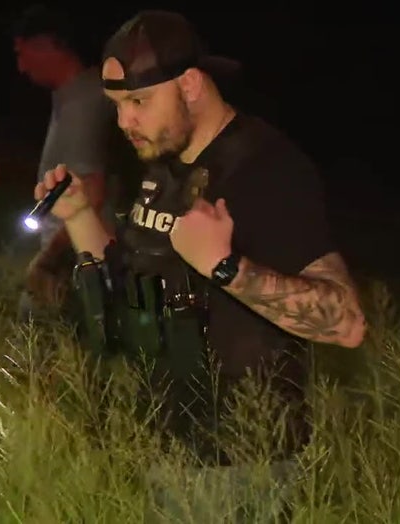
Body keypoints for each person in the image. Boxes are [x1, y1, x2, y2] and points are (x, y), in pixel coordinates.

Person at [33, 10, 367, 520]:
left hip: (238, 464)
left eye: (139, 102)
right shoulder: (163, 165)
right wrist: (78, 215)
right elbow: (129, 280)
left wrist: (226, 266)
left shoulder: (265, 167)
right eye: (117, 106)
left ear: (189, 85)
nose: (125, 122)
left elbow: (346, 323)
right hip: (163, 449)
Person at [11, 4, 140, 323]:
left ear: (47, 44)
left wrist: (47, 260)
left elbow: (91, 191)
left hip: (78, 261)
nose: (21, 68)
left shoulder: (86, 104)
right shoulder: (69, 100)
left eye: (23, 53)